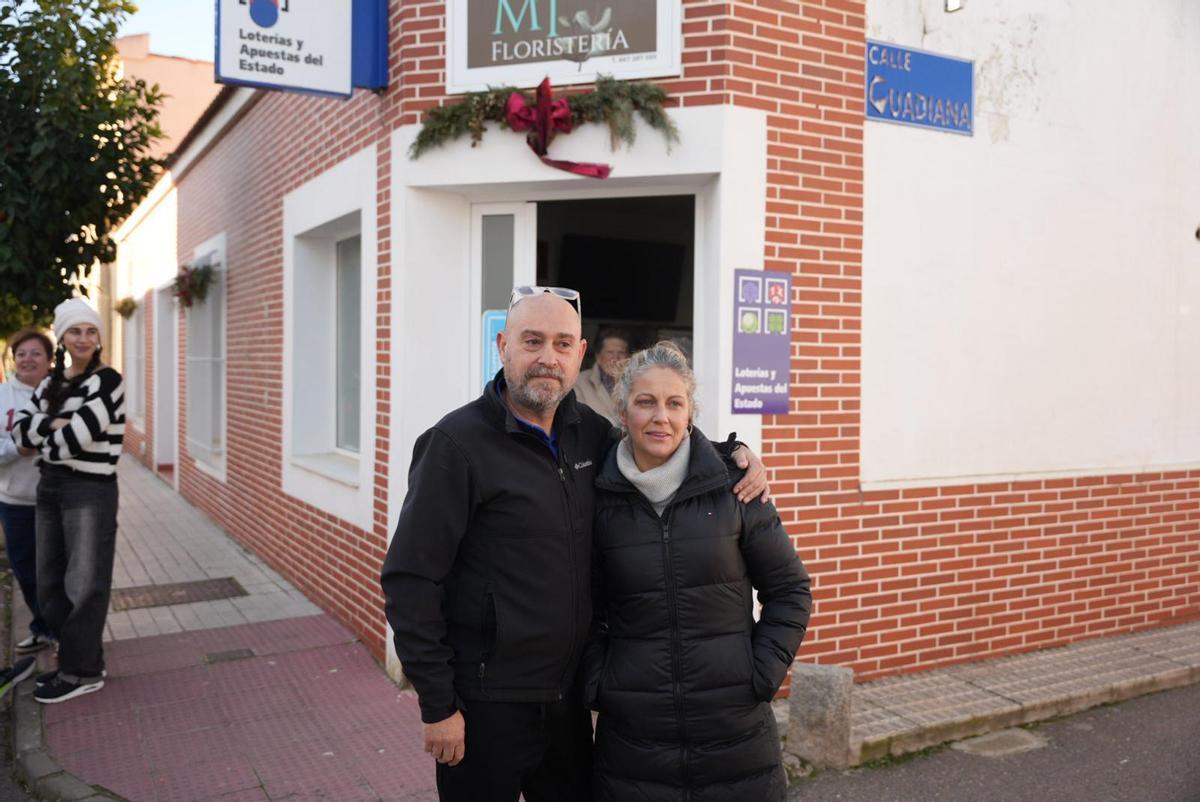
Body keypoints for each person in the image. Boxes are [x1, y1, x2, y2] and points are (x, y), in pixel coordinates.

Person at [380, 286, 768, 802]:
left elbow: (660, 443)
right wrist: (437, 704)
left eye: (563, 343)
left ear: (580, 353)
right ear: (503, 346)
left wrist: (732, 454)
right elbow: (410, 579)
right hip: (484, 706)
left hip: (568, 707)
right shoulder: (456, 445)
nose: (548, 356)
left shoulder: (591, 434)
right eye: (532, 341)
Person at [584, 342, 812, 802]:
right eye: (645, 402)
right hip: (634, 744)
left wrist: (760, 674)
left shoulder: (734, 486)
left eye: (674, 403)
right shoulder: (596, 497)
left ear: (689, 413)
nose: (660, 417)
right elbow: (579, 603)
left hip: (737, 739)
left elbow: (790, 590)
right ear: (623, 411)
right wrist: (600, 683)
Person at [11, 298, 125, 704]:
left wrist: (45, 431)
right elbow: (19, 433)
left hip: (90, 490)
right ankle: (76, 659)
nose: (84, 338)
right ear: (61, 337)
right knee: (50, 583)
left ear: (99, 337)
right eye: (75, 331)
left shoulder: (107, 381)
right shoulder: (50, 383)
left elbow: (74, 440)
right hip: (50, 488)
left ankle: (83, 672)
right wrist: (56, 426)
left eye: (91, 331)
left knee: (85, 584)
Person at [0, 328, 57, 654]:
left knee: (61, 569)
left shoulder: (62, 395)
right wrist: (17, 450)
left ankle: (68, 631)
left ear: (49, 360)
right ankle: (43, 628)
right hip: (15, 501)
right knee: (26, 570)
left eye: (36, 353)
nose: (27, 359)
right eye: (21, 354)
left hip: (58, 499)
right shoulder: (2, 397)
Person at [573, 326, 632, 425]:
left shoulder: (637, 383)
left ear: (628, 357)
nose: (615, 358)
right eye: (610, 352)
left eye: (621, 352)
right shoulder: (579, 382)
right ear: (598, 355)